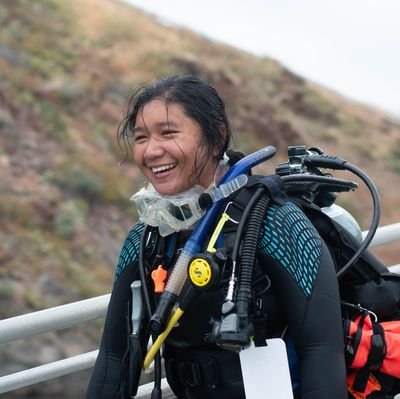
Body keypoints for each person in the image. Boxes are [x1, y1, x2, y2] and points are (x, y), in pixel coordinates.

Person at [86, 75, 348, 399]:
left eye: (168, 133)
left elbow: (322, 351)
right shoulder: (146, 238)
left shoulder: (273, 221)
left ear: (216, 137)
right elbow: (114, 358)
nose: (151, 151)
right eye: (140, 137)